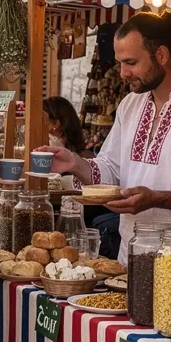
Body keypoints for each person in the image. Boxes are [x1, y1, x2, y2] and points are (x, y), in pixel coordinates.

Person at [45, 10, 171, 261]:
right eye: (120, 63)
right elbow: (112, 169)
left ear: (161, 55)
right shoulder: (130, 105)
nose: (123, 73)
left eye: (131, 63)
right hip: (130, 255)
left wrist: (156, 199)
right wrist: (74, 164)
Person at [43, 95, 121, 260]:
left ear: (56, 124)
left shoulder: (75, 155)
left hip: (84, 224)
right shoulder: (78, 155)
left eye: (42, 121)